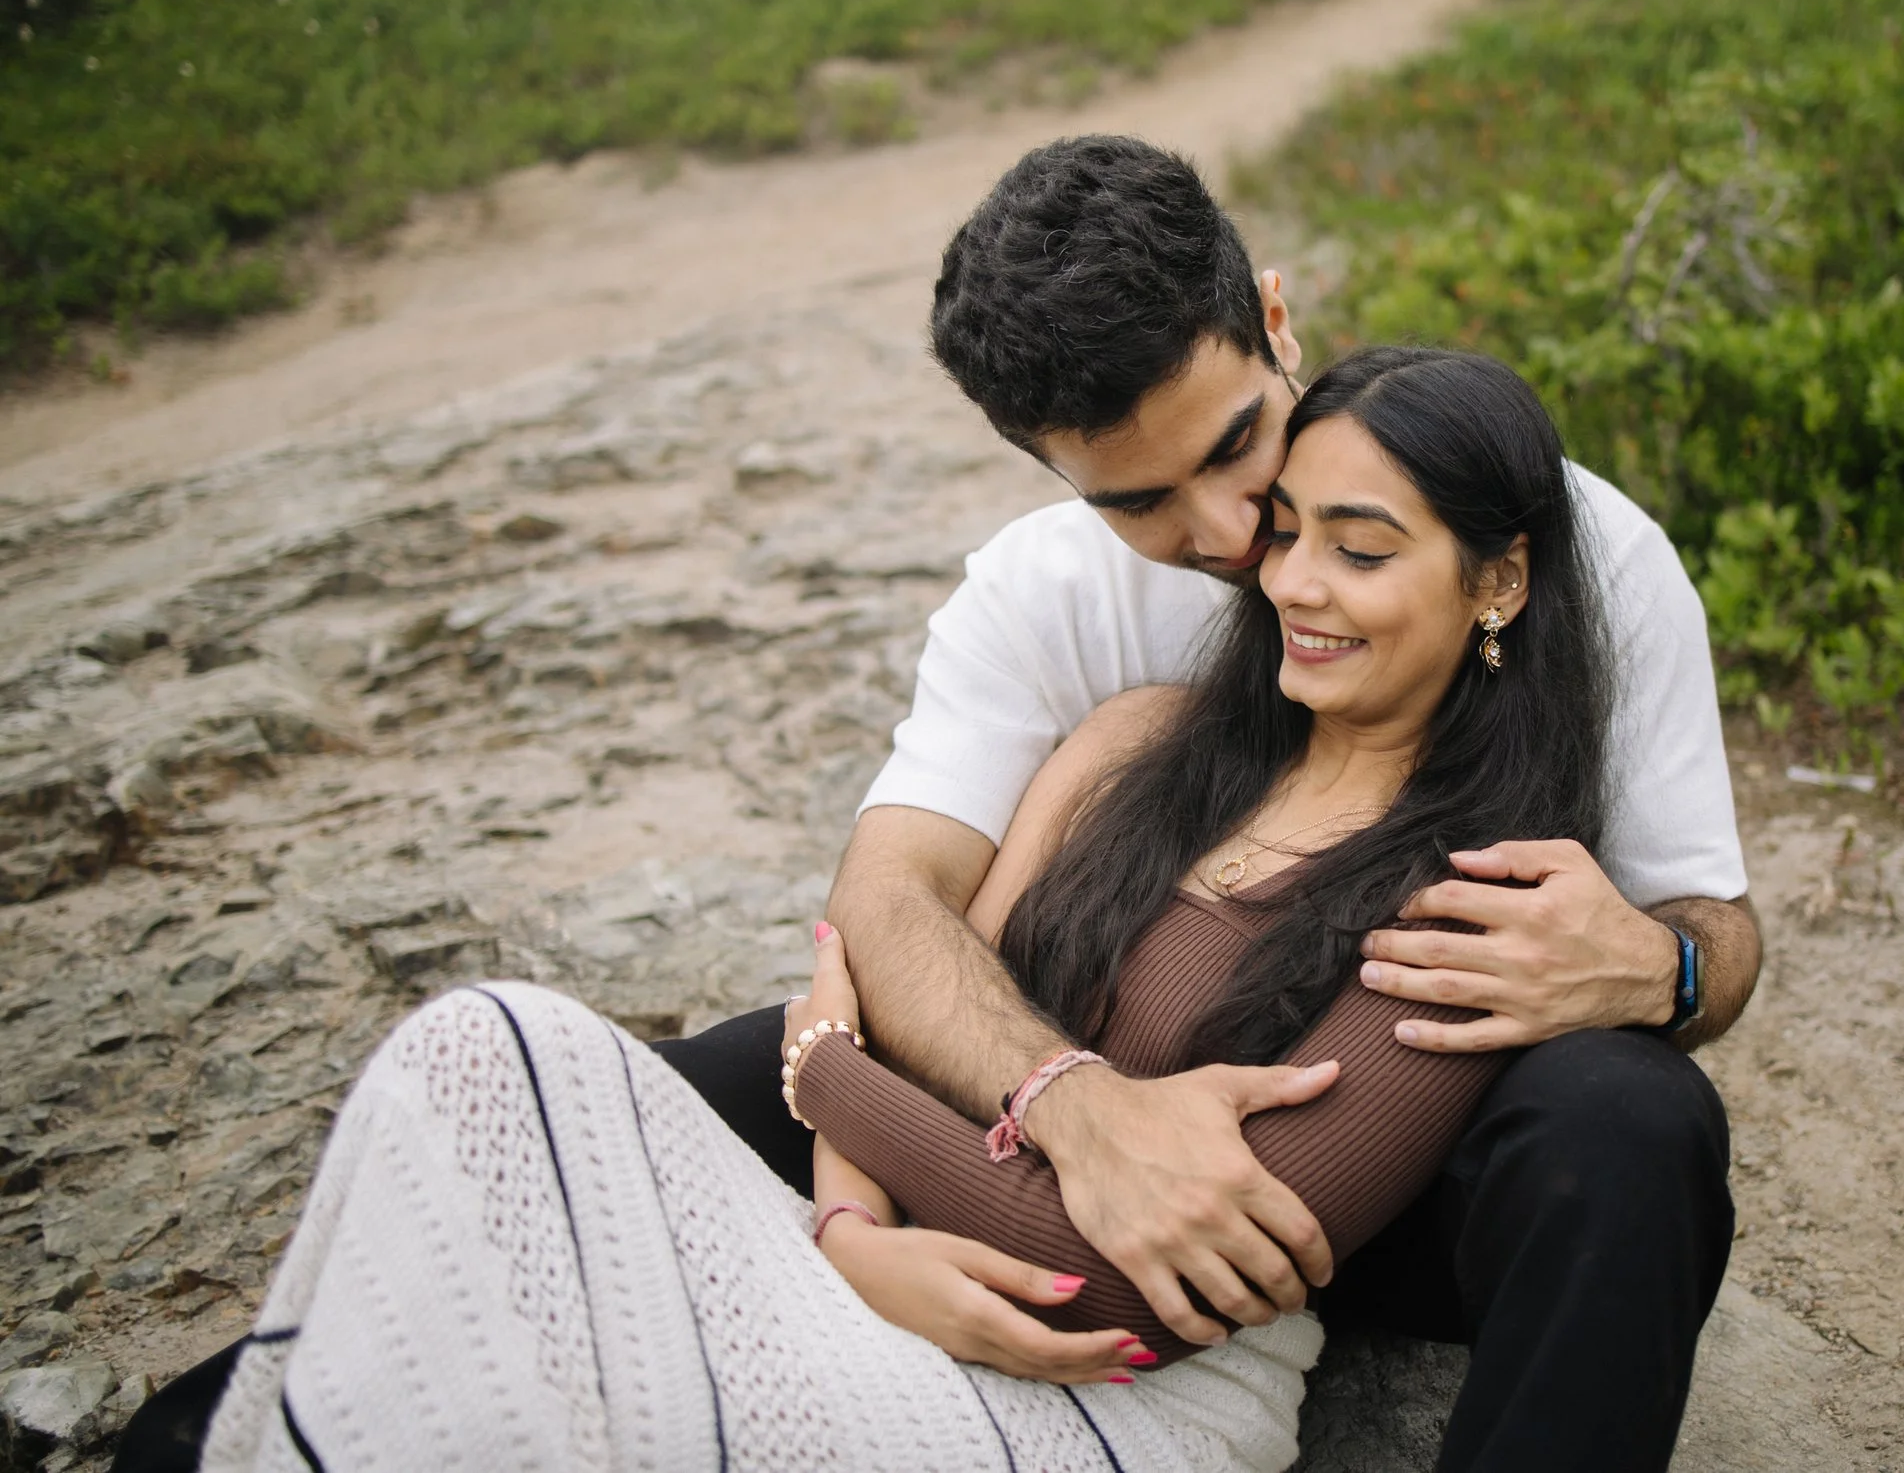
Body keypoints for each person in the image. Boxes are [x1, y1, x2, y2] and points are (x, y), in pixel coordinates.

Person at [195, 347, 1632, 1472]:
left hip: (1117, 1402)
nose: (1297, 583)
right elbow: (921, 1023)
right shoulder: (1139, 740)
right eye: (1290, 530)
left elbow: (1126, 1287)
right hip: (883, 1281)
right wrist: (850, 1241)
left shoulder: (1472, 900)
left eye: (1364, 551)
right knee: (483, 1047)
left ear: (1497, 579)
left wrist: (818, 1072)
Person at [659, 135, 1759, 1470]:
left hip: (1383, 1166)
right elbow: (890, 904)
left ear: (1276, 321)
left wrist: (1665, 959)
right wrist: (1058, 1117)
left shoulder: (1581, 552)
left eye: (1241, 444)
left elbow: (1714, 925)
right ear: (1055, 468)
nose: (1240, 534)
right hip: (1060, 1128)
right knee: (647, 1103)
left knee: (1631, 1120)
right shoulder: (1040, 600)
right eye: (1143, 500)